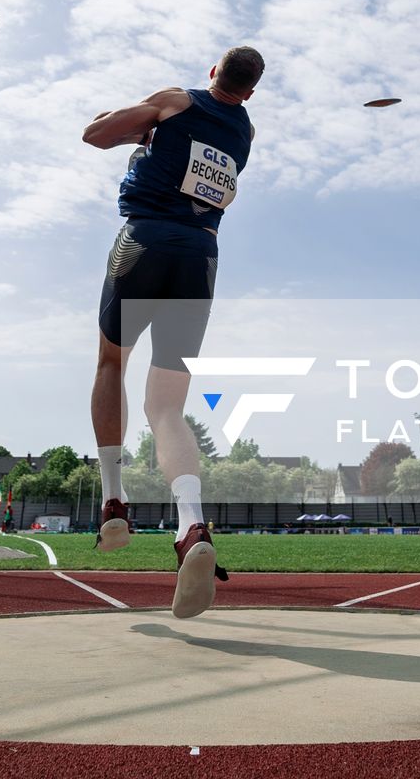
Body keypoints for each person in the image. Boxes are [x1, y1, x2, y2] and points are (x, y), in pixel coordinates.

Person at [82, 46, 262, 619]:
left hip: (145, 241)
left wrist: (144, 118)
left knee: (112, 363)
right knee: (168, 408)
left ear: (213, 72)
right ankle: (191, 526)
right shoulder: (244, 131)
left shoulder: (177, 100)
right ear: (250, 92)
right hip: (200, 256)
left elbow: (96, 134)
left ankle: (114, 500)